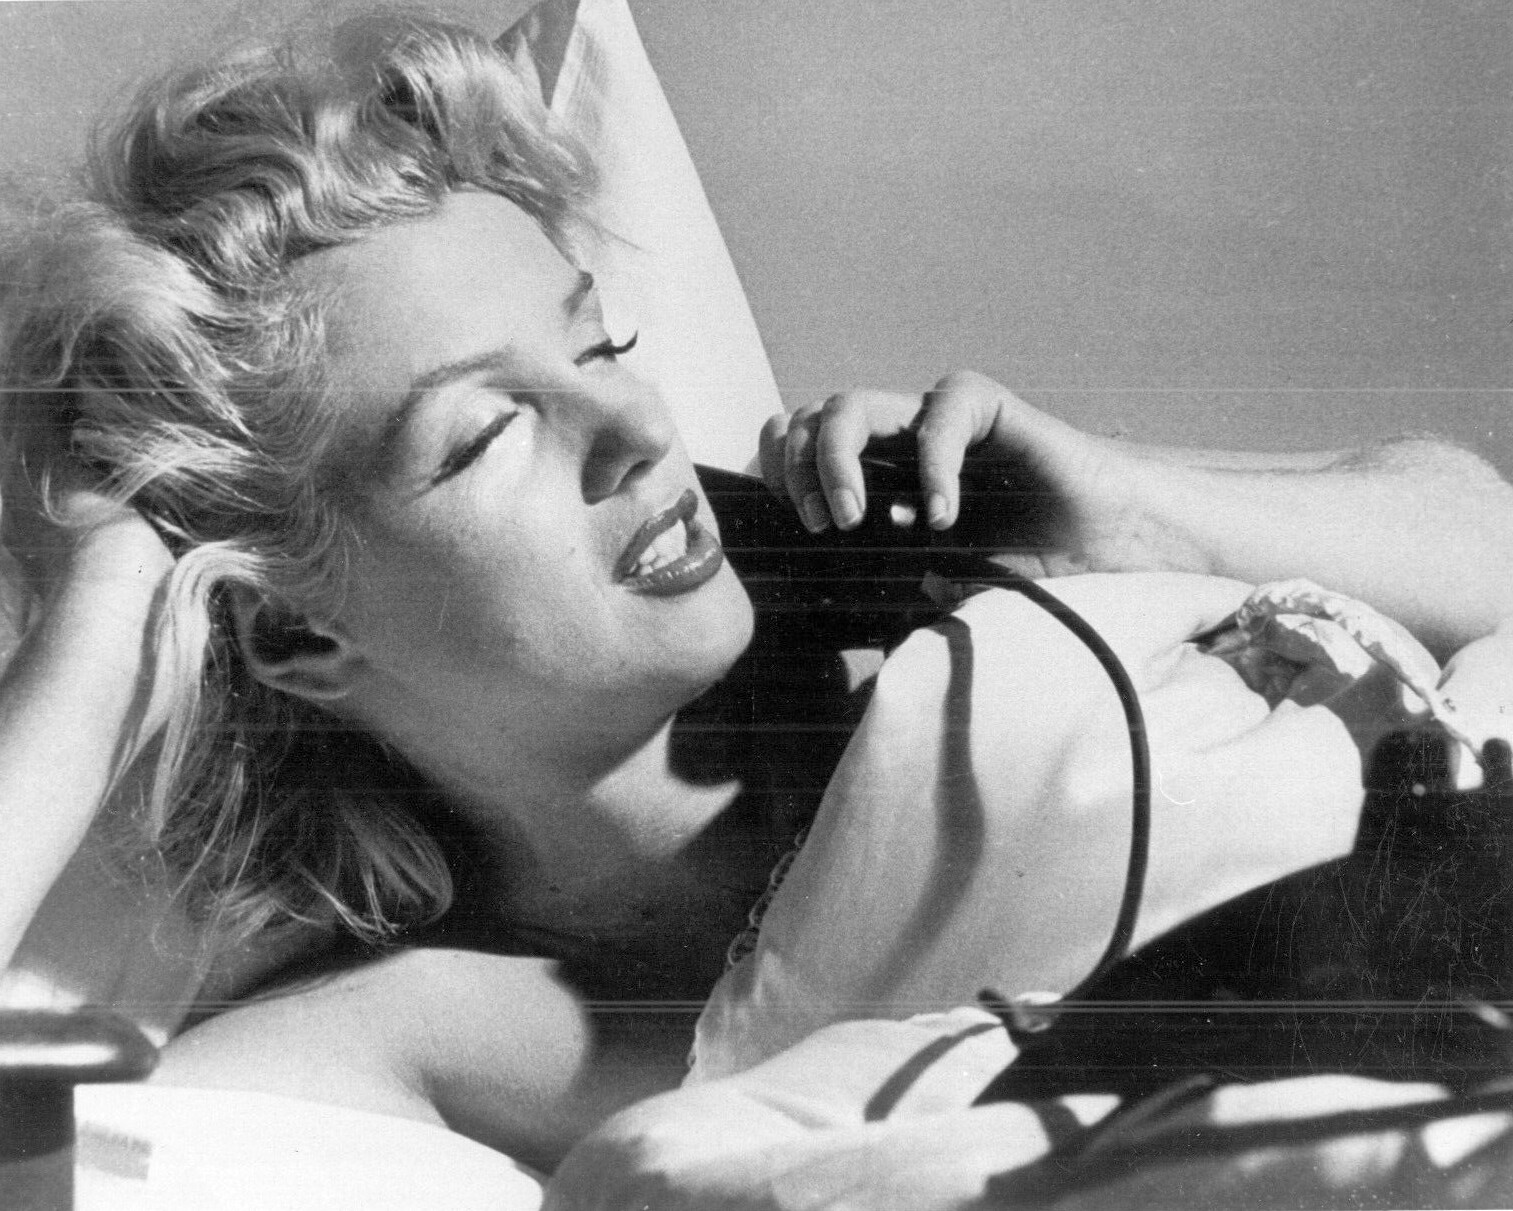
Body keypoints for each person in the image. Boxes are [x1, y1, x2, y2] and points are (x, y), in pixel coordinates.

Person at [2, 9, 1512, 1176]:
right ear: (292, 627)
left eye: (596, 345)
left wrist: (1135, 509)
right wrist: (93, 640)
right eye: (486, 436)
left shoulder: (921, 562)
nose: (637, 426)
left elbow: (1479, 537)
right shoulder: (430, 1029)